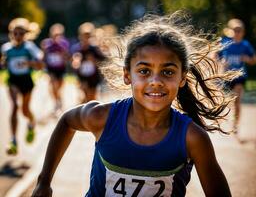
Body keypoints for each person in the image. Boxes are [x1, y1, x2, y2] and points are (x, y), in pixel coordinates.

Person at [32, 13, 235, 196]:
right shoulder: (102, 118)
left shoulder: (193, 138)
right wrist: (44, 181)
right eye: (145, 71)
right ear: (127, 75)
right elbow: (67, 121)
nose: (155, 81)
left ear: (182, 78)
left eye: (168, 71)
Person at [1, 18, 44, 155]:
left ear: (26, 34)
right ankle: (13, 140)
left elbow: (40, 65)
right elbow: (4, 63)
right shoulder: (6, 49)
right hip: (13, 80)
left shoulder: (29, 47)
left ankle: (31, 123)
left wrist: (28, 63)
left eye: (21, 33)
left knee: (25, 111)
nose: (18, 36)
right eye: (15, 33)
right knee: (14, 107)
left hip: (26, 81)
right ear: (11, 34)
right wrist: (4, 64)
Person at [218, 18, 256, 135]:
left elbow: (254, 59)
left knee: (237, 100)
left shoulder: (246, 45)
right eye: (235, 30)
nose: (237, 32)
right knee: (227, 101)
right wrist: (222, 61)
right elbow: (216, 55)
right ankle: (228, 118)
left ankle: (235, 125)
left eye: (240, 30)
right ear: (231, 31)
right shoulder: (226, 43)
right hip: (227, 76)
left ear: (243, 32)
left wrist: (247, 59)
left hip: (240, 76)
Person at [71, 22, 106, 103]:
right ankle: (84, 107)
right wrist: (76, 63)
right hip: (82, 76)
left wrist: (94, 61)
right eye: (84, 36)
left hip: (93, 76)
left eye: (88, 36)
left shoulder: (94, 49)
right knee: (85, 93)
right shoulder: (77, 49)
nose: (86, 38)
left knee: (92, 97)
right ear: (80, 36)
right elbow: (74, 61)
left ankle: (90, 109)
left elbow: (103, 61)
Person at [41, 23, 70, 112]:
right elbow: (43, 56)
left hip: (61, 68)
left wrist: (62, 54)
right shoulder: (46, 43)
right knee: (54, 85)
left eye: (58, 35)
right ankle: (57, 102)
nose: (56, 37)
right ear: (50, 34)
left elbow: (67, 56)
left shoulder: (64, 43)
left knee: (59, 87)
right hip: (51, 68)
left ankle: (58, 99)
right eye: (54, 35)